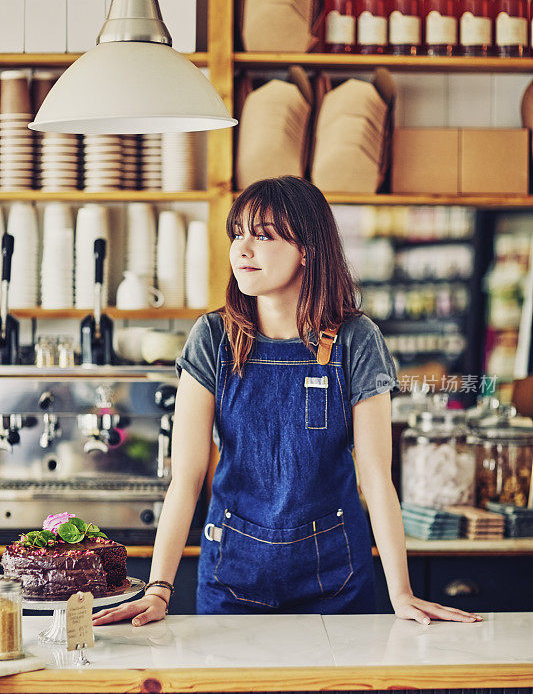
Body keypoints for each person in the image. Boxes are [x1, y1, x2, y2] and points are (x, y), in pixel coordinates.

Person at [93, 176, 481, 626]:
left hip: (336, 581)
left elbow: (376, 477)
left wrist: (402, 593)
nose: (242, 249)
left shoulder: (357, 340)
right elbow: (187, 476)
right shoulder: (213, 338)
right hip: (232, 576)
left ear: (307, 250)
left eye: (262, 235)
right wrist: (159, 588)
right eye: (237, 233)